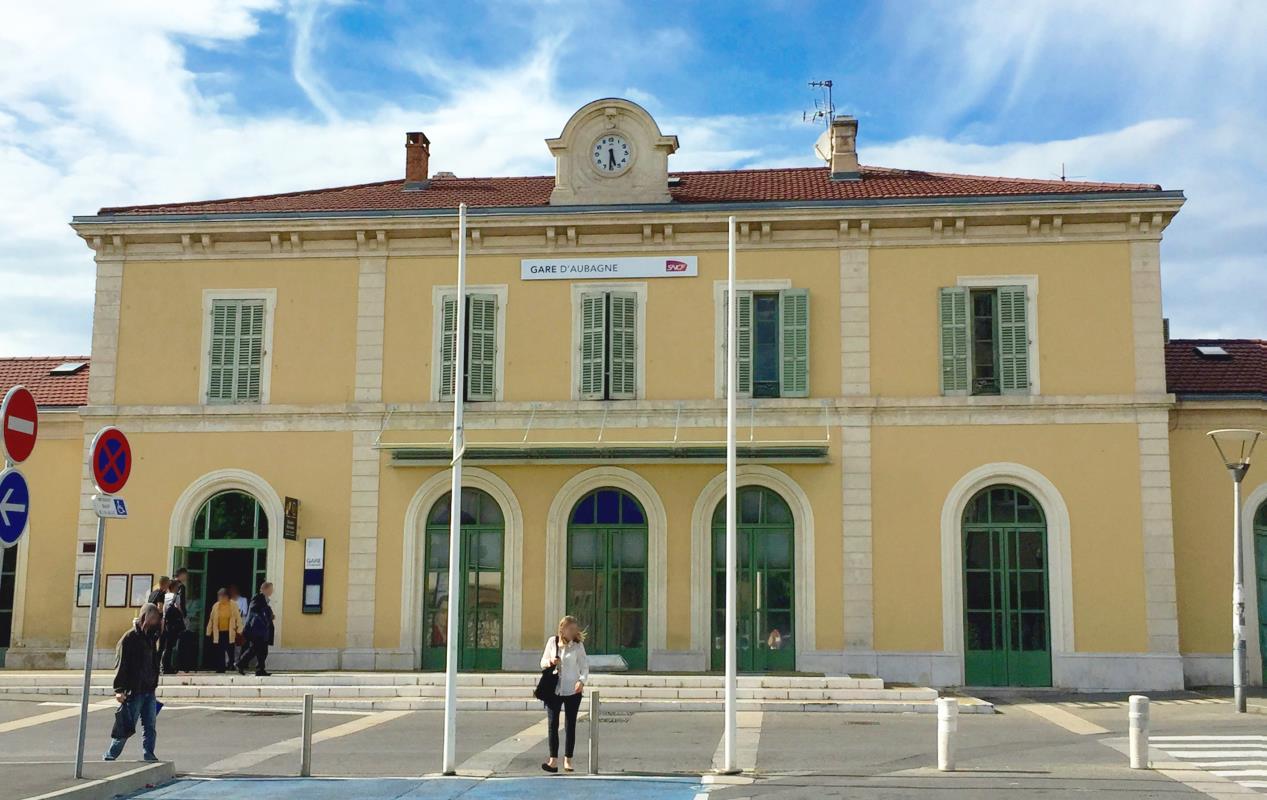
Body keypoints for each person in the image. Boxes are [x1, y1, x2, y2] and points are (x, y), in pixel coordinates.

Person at [103, 603, 162, 762]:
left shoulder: (151, 637)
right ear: (145, 617)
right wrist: (119, 689)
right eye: (154, 619)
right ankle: (111, 755)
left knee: (150, 726)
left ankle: (149, 754)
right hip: (134, 690)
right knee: (126, 726)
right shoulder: (129, 638)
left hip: (149, 689)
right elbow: (121, 664)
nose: (156, 623)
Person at [539, 615, 589, 774]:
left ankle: (568, 759)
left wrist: (581, 681)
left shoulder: (578, 646)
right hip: (554, 689)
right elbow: (542, 662)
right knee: (552, 724)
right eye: (570, 629)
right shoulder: (552, 642)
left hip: (573, 690)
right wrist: (550, 662)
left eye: (575, 629)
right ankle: (553, 760)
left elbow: (584, 667)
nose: (573, 632)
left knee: (570, 724)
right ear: (563, 629)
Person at [237, 581, 274, 677]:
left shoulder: (265, 599)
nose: (272, 591)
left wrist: (269, 614)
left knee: (262, 650)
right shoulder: (258, 597)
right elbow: (254, 609)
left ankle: (260, 669)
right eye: (270, 589)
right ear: (265, 589)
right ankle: (240, 664)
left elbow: (265, 611)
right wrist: (264, 614)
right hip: (256, 629)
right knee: (256, 648)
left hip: (262, 630)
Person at [204, 588, 242, 673]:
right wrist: (208, 631)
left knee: (230, 649)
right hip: (219, 632)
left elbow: (238, 618)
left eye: (222, 596)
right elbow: (211, 619)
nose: (220, 598)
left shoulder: (233, 605)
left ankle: (231, 665)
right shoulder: (216, 606)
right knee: (220, 650)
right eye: (219, 596)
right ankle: (221, 667)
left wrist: (239, 630)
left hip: (230, 631)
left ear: (227, 597)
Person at [160, 576, 186, 675]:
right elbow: (178, 608)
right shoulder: (176, 596)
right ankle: (167, 666)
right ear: (175, 587)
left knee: (165, 645)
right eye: (177, 587)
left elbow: (164, 610)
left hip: (166, 622)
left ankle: (163, 665)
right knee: (170, 646)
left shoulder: (165, 596)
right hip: (173, 624)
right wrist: (182, 616)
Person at [229, 585, 248, 664]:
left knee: (238, 645)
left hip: (239, 625)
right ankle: (228, 662)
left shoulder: (243, 600)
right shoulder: (228, 601)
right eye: (231, 590)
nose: (232, 592)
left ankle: (236, 661)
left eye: (233, 590)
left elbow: (244, 612)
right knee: (228, 644)